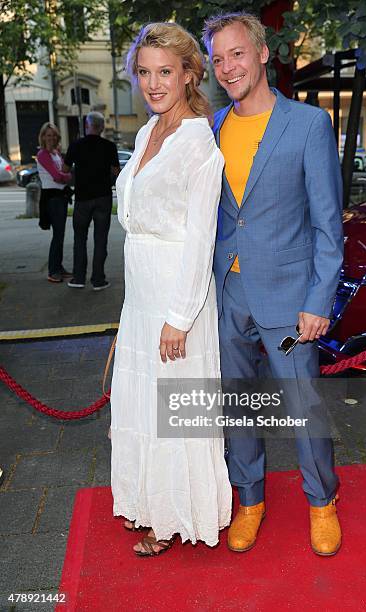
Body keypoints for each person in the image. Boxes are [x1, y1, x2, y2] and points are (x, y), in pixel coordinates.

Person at [202, 12, 344, 555]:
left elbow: (328, 223)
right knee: (237, 406)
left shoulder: (307, 125)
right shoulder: (210, 128)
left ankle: (321, 501)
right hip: (227, 292)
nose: (227, 67)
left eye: (237, 53)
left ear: (262, 54)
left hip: (289, 298)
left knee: (303, 404)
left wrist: (318, 299)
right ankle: (250, 499)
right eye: (218, 59)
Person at [110, 22, 231, 556]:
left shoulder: (198, 141)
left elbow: (201, 238)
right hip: (141, 291)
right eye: (144, 72)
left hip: (177, 294)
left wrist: (180, 317)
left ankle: (176, 516)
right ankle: (150, 504)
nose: (153, 83)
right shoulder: (144, 134)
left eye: (165, 71)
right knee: (142, 405)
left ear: (189, 74)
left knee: (172, 407)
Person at [63, 112, 120, 291]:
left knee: (80, 238)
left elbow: (64, 169)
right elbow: (117, 171)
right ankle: (98, 279)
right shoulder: (109, 146)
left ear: (86, 126)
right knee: (100, 239)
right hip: (103, 197)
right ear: (102, 127)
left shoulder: (76, 145)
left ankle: (79, 278)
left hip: (82, 198)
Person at [37, 123, 72, 283]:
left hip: (60, 197)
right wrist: (66, 177)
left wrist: (64, 175)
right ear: (43, 137)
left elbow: (64, 173)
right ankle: (53, 270)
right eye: (48, 135)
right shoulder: (43, 154)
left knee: (60, 235)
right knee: (57, 236)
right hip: (52, 199)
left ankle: (58, 267)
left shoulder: (56, 153)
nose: (51, 138)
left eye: (53, 135)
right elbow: (58, 176)